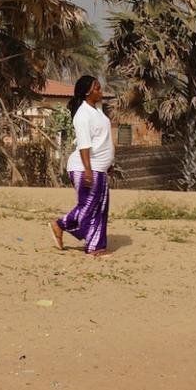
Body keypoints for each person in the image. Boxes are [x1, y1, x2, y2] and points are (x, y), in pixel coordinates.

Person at [50, 76, 114, 256]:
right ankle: (59, 224)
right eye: (97, 88)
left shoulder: (97, 111)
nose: (101, 91)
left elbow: (102, 140)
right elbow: (84, 145)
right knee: (87, 206)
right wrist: (87, 170)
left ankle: (96, 246)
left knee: (100, 208)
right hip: (84, 167)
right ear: (87, 92)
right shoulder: (83, 114)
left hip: (99, 167)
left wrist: (110, 163)